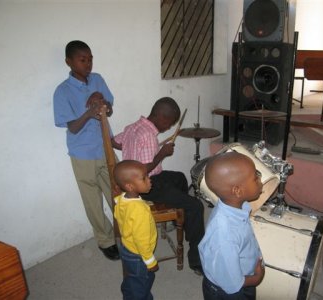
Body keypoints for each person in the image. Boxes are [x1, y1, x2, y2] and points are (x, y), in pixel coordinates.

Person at [113, 97, 205, 275]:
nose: (169, 128)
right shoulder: (148, 135)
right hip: (146, 187)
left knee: (179, 178)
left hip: (139, 180)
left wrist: (131, 150)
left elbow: (114, 142)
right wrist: (161, 154)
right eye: (170, 124)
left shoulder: (132, 127)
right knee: (196, 205)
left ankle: (182, 221)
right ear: (161, 117)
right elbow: (143, 171)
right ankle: (197, 261)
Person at [53, 40, 119, 260]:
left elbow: (108, 110)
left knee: (118, 192)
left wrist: (102, 102)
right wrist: (89, 112)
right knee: (93, 201)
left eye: (90, 58)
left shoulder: (97, 80)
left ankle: (127, 232)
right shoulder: (62, 91)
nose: (88, 63)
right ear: (69, 62)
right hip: (83, 154)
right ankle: (106, 240)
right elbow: (72, 127)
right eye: (82, 59)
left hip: (105, 146)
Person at [198, 152, 265, 300]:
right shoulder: (225, 234)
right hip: (227, 291)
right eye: (256, 177)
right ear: (237, 191)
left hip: (241, 275)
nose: (260, 180)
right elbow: (230, 282)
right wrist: (256, 279)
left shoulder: (236, 208)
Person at [113, 160, 158, 300]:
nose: (149, 180)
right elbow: (142, 240)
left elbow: (117, 207)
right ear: (130, 186)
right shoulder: (140, 211)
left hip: (126, 247)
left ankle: (128, 289)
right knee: (142, 281)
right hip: (138, 255)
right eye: (144, 178)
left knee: (133, 277)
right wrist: (150, 261)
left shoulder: (122, 198)